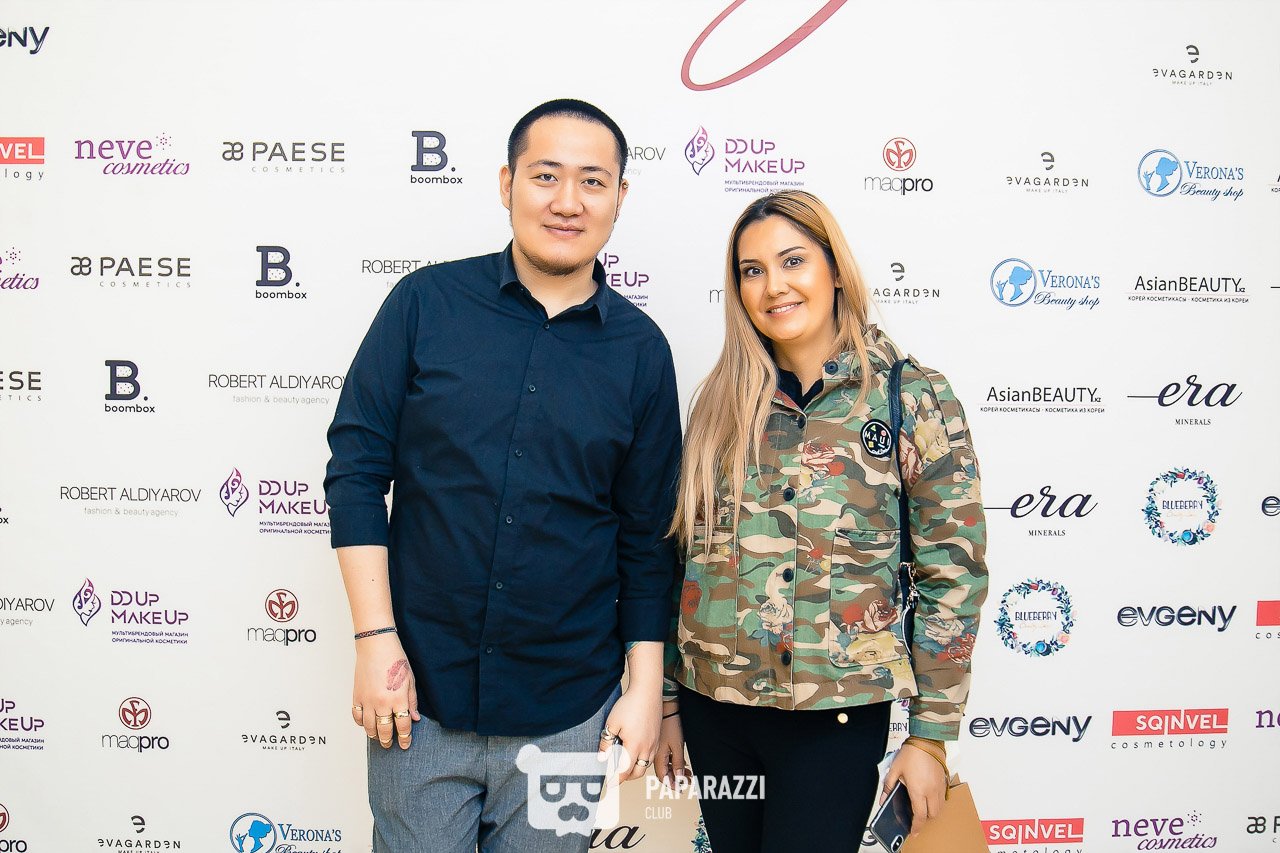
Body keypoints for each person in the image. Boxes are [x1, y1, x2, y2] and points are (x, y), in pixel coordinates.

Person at [324, 98, 681, 853]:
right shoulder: (424, 304)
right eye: (546, 175)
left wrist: (646, 686)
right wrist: (374, 639)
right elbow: (356, 471)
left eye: (592, 181)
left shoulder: (641, 351)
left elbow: (648, 537)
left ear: (620, 196)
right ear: (506, 183)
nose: (567, 201)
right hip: (417, 696)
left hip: (570, 710)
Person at [654, 191, 988, 853]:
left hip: (834, 718)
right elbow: (680, 564)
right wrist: (667, 700)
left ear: (834, 269)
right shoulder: (720, 404)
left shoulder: (909, 396)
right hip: (714, 711)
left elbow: (953, 572)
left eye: (792, 261)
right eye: (752, 271)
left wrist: (930, 736)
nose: (773, 286)